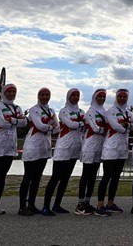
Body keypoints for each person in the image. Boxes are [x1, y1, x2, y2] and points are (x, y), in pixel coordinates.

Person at [0, 83, 28, 215]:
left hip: (9, 147)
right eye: (9, 91)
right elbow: (1, 123)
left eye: (14, 91)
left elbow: (24, 123)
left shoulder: (17, 107)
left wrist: (11, 120)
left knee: (2, 177)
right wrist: (16, 120)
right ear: (3, 93)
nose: (12, 94)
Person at [42, 88, 84, 216]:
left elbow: (85, 126)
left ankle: (57, 205)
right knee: (55, 178)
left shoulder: (81, 111)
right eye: (73, 95)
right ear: (68, 97)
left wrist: (81, 123)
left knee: (65, 178)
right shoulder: (63, 111)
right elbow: (70, 124)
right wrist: (81, 123)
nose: (75, 97)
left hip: (75, 147)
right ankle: (45, 206)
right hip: (63, 147)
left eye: (77, 95)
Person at [19, 87, 59, 216]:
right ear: (38, 96)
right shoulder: (34, 109)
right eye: (42, 94)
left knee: (37, 178)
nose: (45, 97)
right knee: (28, 177)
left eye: (47, 94)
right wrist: (50, 127)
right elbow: (39, 126)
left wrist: (48, 128)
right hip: (32, 146)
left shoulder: (51, 110)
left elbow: (57, 129)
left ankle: (31, 204)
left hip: (44, 146)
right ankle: (22, 207)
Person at [95, 88, 133, 216]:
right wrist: (127, 126)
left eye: (124, 97)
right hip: (110, 147)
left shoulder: (128, 112)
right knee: (107, 177)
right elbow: (116, 126)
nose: (122, 99)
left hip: (122, 148)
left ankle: (110, 203)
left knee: (116, 178)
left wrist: (126, 125)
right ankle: (100, 205)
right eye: (120, 96)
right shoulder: (111, 111)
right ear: (116, 97)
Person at [75, 88, 107, 216]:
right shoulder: (90, 112)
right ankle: (80, 203)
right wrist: (105, 129)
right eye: (99, 97)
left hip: (99, 146)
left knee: (93, 175)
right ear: (94, 98)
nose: (102, 99)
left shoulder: (104, 111)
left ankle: (87, 201)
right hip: (89, 145)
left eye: (103, 97)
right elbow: (95, 128)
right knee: (86, 174)